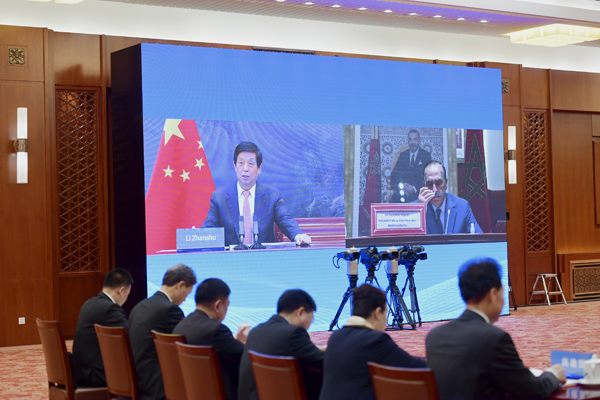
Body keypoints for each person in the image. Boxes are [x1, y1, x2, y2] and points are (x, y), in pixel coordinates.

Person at [426, 258, 565, 400]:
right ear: (493, 295)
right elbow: (533, 391)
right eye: (502, 293)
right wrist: (553, 375)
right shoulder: (494, 338)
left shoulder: (435, 335)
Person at [319, 284, 426, 400]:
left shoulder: (335, 337)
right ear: (378, 312)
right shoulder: (374, 340)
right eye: (385, 315)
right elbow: (416, 367)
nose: (386, 320)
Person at [202, 141, 311, 247]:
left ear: (259, 168)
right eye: (241, 163)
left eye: (251, 164)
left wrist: (298, 236)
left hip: (263, 257)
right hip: (232, 258)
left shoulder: (271, 196)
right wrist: (198, 237)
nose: (245, 169)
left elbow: (284, 219)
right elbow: (209, 229)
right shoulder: (220, 197)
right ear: (234, 166)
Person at [238, 289, 325, 400]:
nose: (310, 325)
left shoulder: (256, 331)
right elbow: (324, 361)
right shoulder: (293, 333)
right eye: (312, 319)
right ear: (301, 312)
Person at [128, 264, 197, 400]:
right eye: (187, 294)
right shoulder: (169, 310)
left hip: (136, 381)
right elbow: (189, 344)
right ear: (181, 285)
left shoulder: (139, 306)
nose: (184, 300)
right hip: (158, 386)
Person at [173, 278, 247, 400]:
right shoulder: (216, 331)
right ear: (217, 306)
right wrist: (246, 342)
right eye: (226, 306)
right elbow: (246, 357)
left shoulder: (182, 325)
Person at [72, 268, 134, 387]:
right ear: (121, 291)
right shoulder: (110, 309)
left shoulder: (89, 303)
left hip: (80, 371)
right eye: (127, 294)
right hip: (96, 375)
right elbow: (130, 338)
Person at [418, 160, 482, 234]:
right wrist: (420, 211)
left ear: (446, 183)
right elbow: (410, 239)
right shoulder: (415, 209)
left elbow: (478, 237)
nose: (434, 190)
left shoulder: (462, 206)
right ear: (424, 185)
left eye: (438, 183)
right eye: (430, 184)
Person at [390, 129, 431, 203]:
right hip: (402, 192)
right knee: (395, 197)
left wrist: (413, 188)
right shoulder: (403, 155)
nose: (412, 142)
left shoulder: (426, 155)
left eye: (415, 139)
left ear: (419, 140)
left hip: (418, 192)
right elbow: (394, 174)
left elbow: (428, 177)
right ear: (408, 141)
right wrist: (402, 186)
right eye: (410, 139)